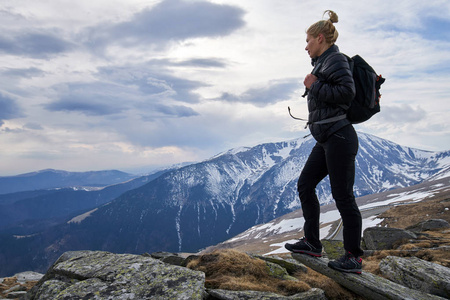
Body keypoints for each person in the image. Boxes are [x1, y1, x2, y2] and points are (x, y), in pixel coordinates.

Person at [284, 10, 364, 274]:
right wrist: (315, 81)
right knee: (305, 184)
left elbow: (346, 93)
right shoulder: (322, 63)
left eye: (308, 40)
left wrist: (314, 84)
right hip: (327, 137)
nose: (305, 46)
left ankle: (353, 257)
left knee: (343, 196)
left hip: (339, 137)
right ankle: (312, 243)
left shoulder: (336, 60)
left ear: (320, 38)